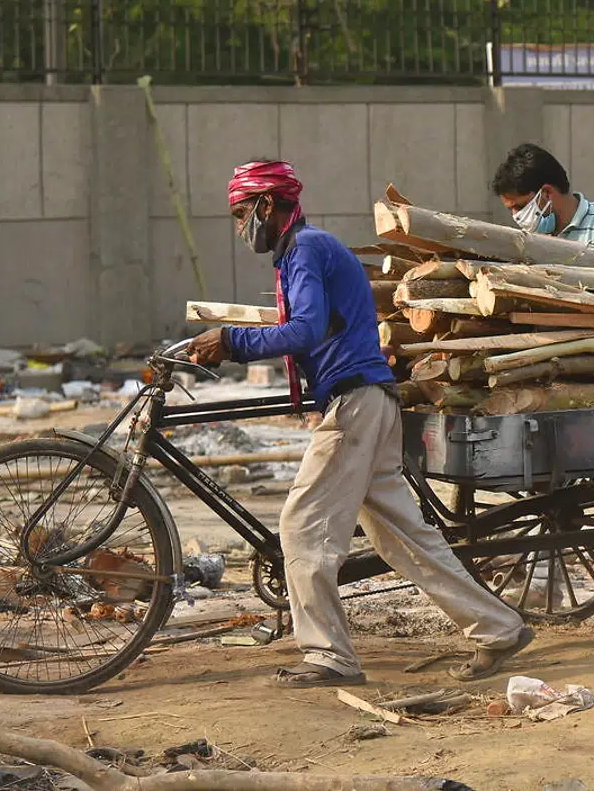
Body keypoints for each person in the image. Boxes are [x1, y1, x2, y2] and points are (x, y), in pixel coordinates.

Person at [186, 160, 534, 686]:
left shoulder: (304, 249)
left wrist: (232, 341)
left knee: (301, 527)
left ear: (266, 205)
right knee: (404, 538)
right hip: (369, 401)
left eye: (241, 214)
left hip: (355, 404)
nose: (240, 228)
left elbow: (303, 330)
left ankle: (330, 656)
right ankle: (499, 628)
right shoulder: (306, 250)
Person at [491, 143, 594, 267]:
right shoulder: (527, 245)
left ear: (547, 193)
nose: (516, 216)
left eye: (521, 207)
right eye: (510, 209)